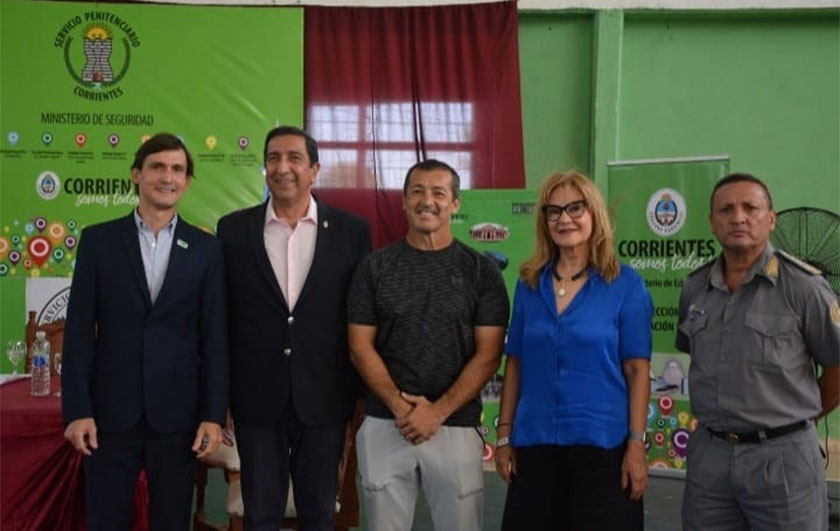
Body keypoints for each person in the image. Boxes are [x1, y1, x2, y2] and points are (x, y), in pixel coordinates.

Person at [62, 133, 229, 530]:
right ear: (136, 174)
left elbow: (215, 339)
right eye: (157, 167)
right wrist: (77, 410)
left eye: (177, 169)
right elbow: (80, 334)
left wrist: (212, 415)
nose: (167, 177)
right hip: (108, 417)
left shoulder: (207, 250)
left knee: (171, 523)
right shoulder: (98, 241)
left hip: (178, 419)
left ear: (187, 181)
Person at [217, 125, 372, 530]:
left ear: (315, 169)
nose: (282, 168)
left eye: (294, 158)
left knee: (319, 513)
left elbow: (361, 316)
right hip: (256, 399)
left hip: (325, 398)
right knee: (261, 514)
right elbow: (223, 318)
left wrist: (358, 396)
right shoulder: (233, 230)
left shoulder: (352, 232)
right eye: (273, 158)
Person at [347, 159, 509, 531]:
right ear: (403, 201)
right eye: (417, 192)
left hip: (455, 426)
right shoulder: (374, 268)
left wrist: (436, 412)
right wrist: (401, 407)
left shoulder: (482, 272)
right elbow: (359, 347)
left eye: (439, 192)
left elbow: (489, 355)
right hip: (387, 423)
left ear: (455, 203)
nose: (427, 201)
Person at [676, 173, 840, 531]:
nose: (738, 218)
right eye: (726, 210)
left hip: (783, 461)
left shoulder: (805, 288)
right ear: (712, 223)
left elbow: (838, 366)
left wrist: (798, 421)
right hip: (711, 459)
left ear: (771, 218)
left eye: (750, 207)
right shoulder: (695, 288)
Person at [495, 171, 653, 530]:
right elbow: (515, 363)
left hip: (603, 449)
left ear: (594, 213)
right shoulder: (529, 284)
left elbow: (637, 370)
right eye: (553, 211)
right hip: (534, 447)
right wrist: (504, 436)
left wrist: (636, 444)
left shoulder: (625, 284)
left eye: (575, 208)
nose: (564, 218)